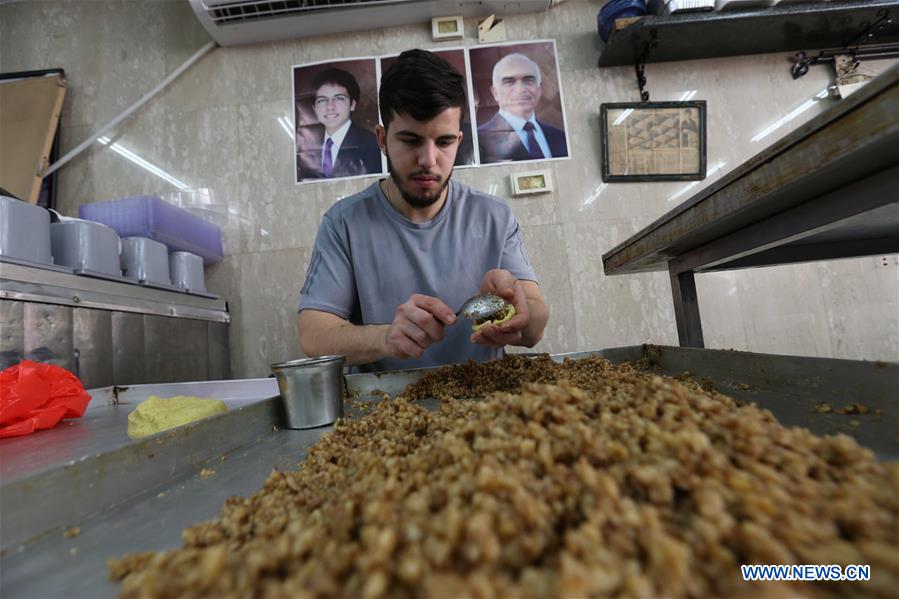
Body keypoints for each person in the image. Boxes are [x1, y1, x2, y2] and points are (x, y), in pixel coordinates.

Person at [297, 49, 550, 373]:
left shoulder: (495, 217)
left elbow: (536, 326)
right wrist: (387, 338)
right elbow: (312, 335)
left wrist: (520, 306)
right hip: (385, 406)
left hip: (486, 407)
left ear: (459, 141)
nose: (428, 160)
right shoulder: (343, 223)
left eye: (444, 142)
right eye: (411, 141)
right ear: (382, 139)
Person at [477, 53, 568, 164]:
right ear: (495, 92)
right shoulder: (479, 140)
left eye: (528, 80)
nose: (520, 89)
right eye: (509, 81)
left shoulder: (559, 136)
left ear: (539, 90)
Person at [298, 68, 382, 179]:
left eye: (339, 99)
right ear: (314, 108)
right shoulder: (304, 145)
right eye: (322, 100)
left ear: (352, 104)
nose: (330, 107)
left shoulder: (373, 144)